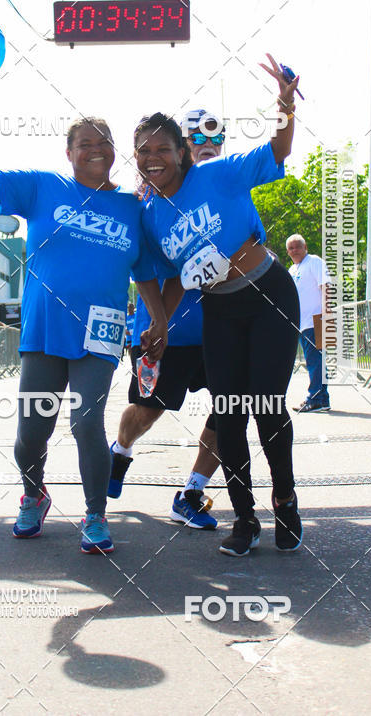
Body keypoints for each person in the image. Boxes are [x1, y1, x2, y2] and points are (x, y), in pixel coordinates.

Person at [0, 85, 167, 555]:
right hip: (44, 327)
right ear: (69, 153)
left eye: (103, 140)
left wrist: (160, 321)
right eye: (84, 142)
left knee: (87, 423)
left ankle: (95, 515)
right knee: (31, 430)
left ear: (113, 151)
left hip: (101, 329)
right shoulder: (44, 187)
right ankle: (34, 493)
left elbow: (145, 274)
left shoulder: (132, 209)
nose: (95, 148)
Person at [136, 55, 303, 557]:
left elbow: (278, 149)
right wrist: (159, 323)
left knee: (267, 406)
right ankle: (245, 520)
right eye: (143, 151)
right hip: (221, 311)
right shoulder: (148, 214)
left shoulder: (217, 176)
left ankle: (286, 501)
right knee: (228, 412)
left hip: (268, 293)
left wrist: (285, 102)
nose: (153, 158)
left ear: (182, 152)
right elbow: (155, 276)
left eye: (163, 149)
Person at [109, 111, 227, 531]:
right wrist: (159, 320)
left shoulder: (220, 194)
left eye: (209, 147)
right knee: (147, 411)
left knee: (232, 408)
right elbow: (141, 269)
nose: (202, 152)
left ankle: (191, 493)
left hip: (219, 329)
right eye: (147, 151)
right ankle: (119, 451)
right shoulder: (143, 206)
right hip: (163, 329)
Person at [286, 234, 332, 412]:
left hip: (317, 319)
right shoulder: (292, 269)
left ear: (305, 247)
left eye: (298, 246)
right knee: (314, 361)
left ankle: (315, 399)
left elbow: (326, 286)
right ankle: (322, 399)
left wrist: (327, 312)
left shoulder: (314, 261)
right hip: (302, 323)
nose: (294, 250)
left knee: (315, 361)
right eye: (291, 248)